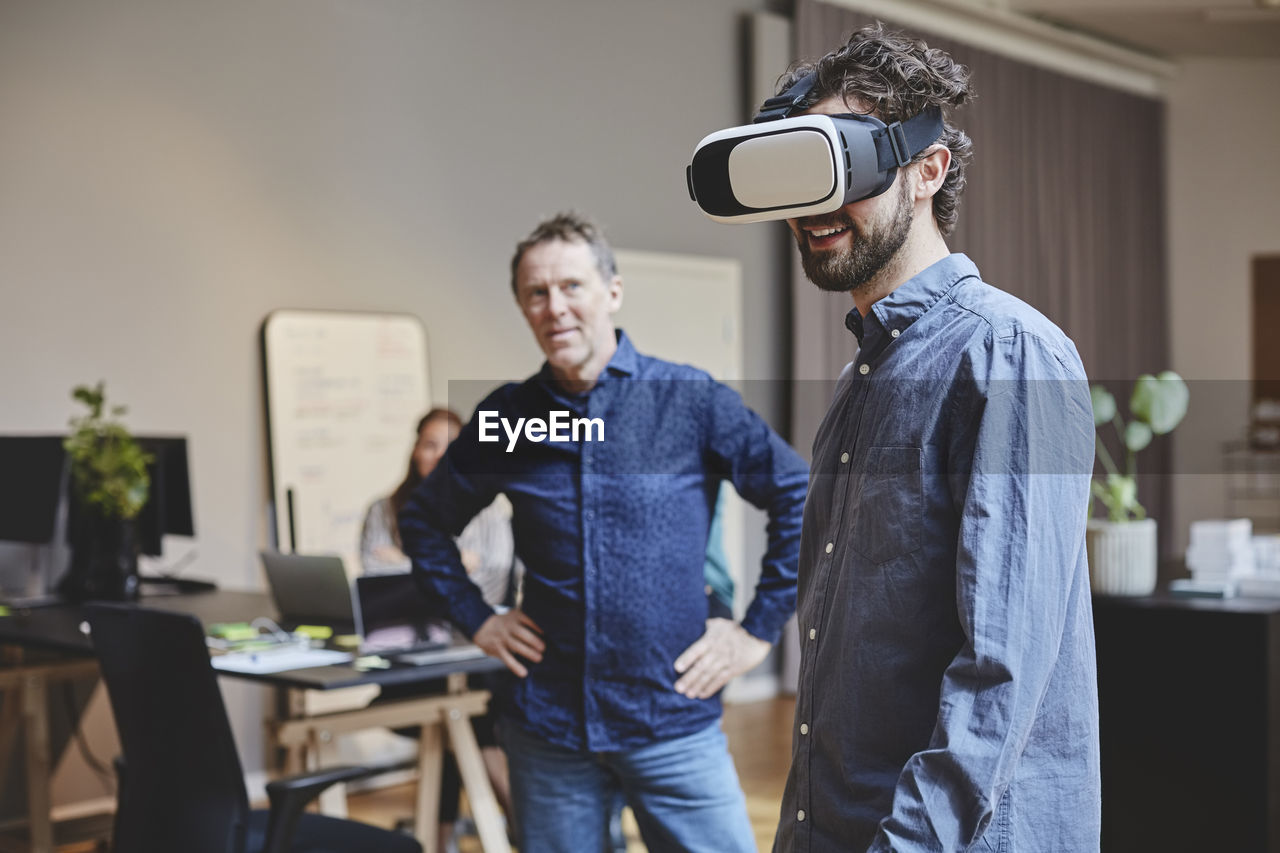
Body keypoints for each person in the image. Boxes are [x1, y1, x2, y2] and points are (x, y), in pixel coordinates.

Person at [757, 25, 1101, 853]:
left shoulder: (1009, 355)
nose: (813, 207)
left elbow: (1000, 671)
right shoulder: (861, 380)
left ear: (927, 171)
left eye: (846, 168)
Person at [398, 212, 809, 853]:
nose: (554, 307)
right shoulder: (509, 417)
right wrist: (476, 618)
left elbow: (797, 494)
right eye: (537, 292)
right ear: (521, 306)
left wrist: (758, 631)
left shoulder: (688, 401)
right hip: (548, 729)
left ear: (611, 292)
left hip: (671, 719)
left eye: (572, 287)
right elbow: (422, 519)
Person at [358, 408, 517, 852]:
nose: (437, 456)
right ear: (414, 450)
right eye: (429, 444)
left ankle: (445, 839)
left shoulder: (489, 517)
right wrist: (446, 568)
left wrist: (407, 566)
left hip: (475, 656)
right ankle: (523, 828)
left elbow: (485, 591)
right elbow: (375, 582)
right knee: (454, 716)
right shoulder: (387, 508)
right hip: (410, 658)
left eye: (449, 448)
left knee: (458, 713)